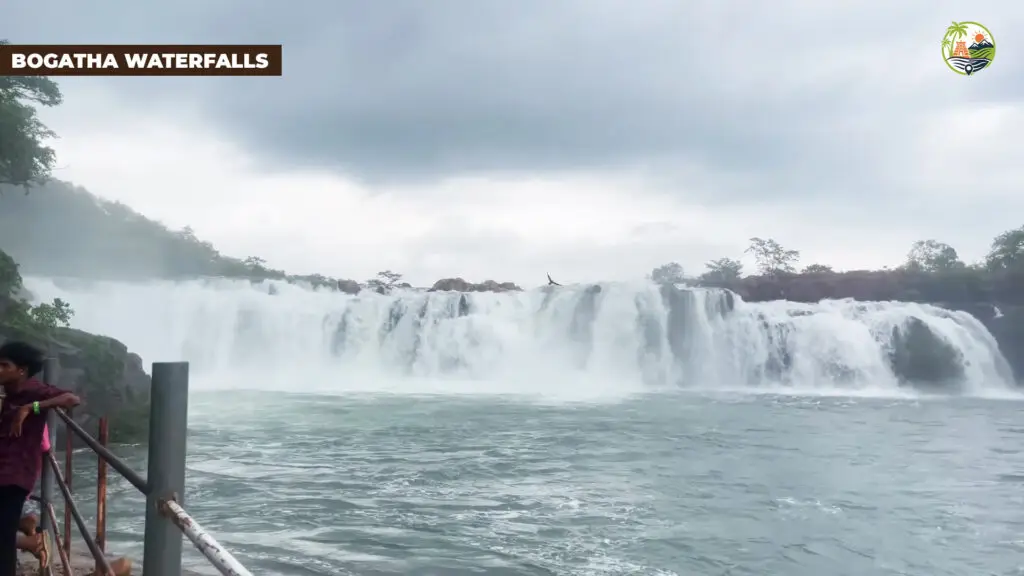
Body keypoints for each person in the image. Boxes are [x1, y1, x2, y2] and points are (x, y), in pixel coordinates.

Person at [0, 342, 80, 576]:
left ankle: (32, 541)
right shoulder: (11, 392)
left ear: (22, 370)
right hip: (5, 472)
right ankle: (33, 538)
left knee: (3, 540)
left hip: (15, 475)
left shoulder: (33, 390)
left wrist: (31, 408)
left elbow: (71, 399)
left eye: (5, 365)